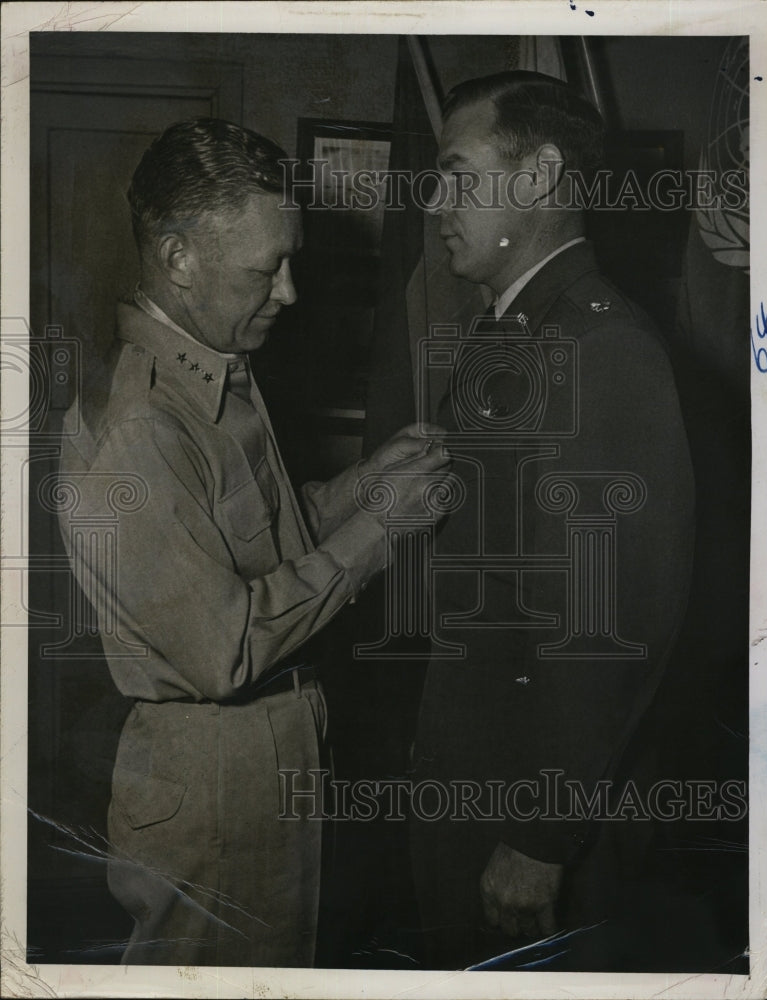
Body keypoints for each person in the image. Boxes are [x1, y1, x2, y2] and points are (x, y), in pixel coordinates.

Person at [56, 118, 449, 967]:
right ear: (177, 256)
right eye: (265, 268)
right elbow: (224, 645)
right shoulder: (143, 425)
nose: (289, 292)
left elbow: (259, 541)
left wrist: (363, 487)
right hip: (211, 775)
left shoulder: (215, 368)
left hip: (268, 750)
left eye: (290, 260)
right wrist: (382, 530)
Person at [409, 72, 695, 969]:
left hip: (526, 814)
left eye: (458, 174)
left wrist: (540, 836)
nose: (436, 199)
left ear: (537, 178)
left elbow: (608, 624)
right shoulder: (511, 329)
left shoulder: (598, 350)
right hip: (476, 774)